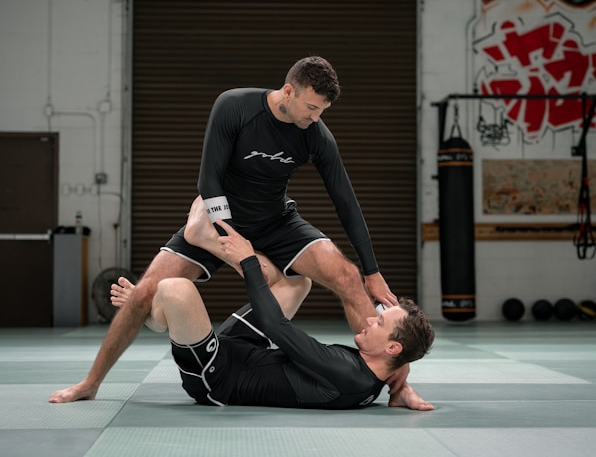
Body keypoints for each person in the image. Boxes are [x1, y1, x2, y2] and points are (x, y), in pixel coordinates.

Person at [50, 56, 397, 403]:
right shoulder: (235, 106)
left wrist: (373, 271)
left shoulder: (315, 135)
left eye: (322, 110)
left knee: (348, 277)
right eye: (311, 107)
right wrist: (227, 237)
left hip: (277, 221)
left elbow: (346, 202)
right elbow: (208, 179)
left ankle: (396, 385)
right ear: (288, 91)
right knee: (142, 294)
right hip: (222, 216)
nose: (316, 117)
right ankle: (91, 383)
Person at [110, 218, 435, 410]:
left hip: (216, 377)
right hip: (245, 353)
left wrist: (248, 259)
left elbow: (274, 326)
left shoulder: (347, 374)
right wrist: (400, 391)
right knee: (297, 282)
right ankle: (172, 291)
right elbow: (398, 355)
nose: (368, 319)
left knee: (175, 288)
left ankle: (152, 316)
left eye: (379, 322)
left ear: (393, 348)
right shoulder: (374, 376)